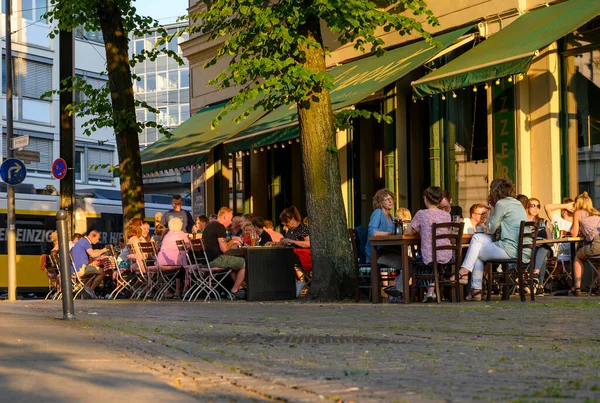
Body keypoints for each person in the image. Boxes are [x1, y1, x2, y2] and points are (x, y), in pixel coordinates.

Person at [454, 177, 527, 301]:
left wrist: (492, 211)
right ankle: (474, 288)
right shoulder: (516, 203)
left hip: (510, 248)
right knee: (477, 240)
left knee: (476, 250)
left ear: (495, 191)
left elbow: (491, 228)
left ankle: (467, 275)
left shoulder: (501, 203)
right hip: (522, 249)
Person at [403, 186, 452, 302]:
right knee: (433, 262)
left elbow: (407, 232)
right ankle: (431, 292)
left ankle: (414, 293)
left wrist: (419, 229)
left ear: (425, 199)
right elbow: (448, 232)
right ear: (440, 200)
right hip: (447, 255)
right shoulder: (446, 215)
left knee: (418, 261)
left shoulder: (421, 214)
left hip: (429, 256)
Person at [365, 189, 404, 295]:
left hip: (387, 250)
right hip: (377, 253)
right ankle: (396, 288)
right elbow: (372, 232)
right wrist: (389, 234)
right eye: (386, 199)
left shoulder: (391, 217)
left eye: (391, 199)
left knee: (409, 262)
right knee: (407, 263)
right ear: (380, 202)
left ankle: (394, 285)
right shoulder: (377, 213)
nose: (390, 201)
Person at [202, 207, 247, 298]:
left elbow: (216, 240)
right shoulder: (220, 227)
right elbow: (224, 249)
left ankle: (240, 287)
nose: (230, 222)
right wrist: (233, 242)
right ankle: (235, 290)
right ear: (225, 217)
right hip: (215, 260)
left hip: (206, 261)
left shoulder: (209, 226)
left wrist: (231, 238)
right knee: (244, 263)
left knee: (234, 264)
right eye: (230, 219)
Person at [532, 198, 574, 295]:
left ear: (564, 212)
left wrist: (565, 206)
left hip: (563, 254)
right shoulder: (561, 221)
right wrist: (566, 206)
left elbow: (547, 207)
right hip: (564, 254)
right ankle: (539, 283)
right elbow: (547, 207)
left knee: (543, 249)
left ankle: (538, 280)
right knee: (543, 248)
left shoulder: (574, 222)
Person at [569, 192, 600, 297]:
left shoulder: (578, 213)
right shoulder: (596, 213)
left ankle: (577, 287)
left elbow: (574, 233)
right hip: (598, 243)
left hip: (596, 244)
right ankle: (597, 285)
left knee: (578, 256)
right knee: (597, 259)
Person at [157, 217, 190, 299]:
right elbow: (188, 247)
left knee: (180, 265)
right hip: (175, 264)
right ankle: (184, 290)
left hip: (161, 263)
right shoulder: (182, 234)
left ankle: (172, 290)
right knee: (184, 266)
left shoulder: (166, 235)